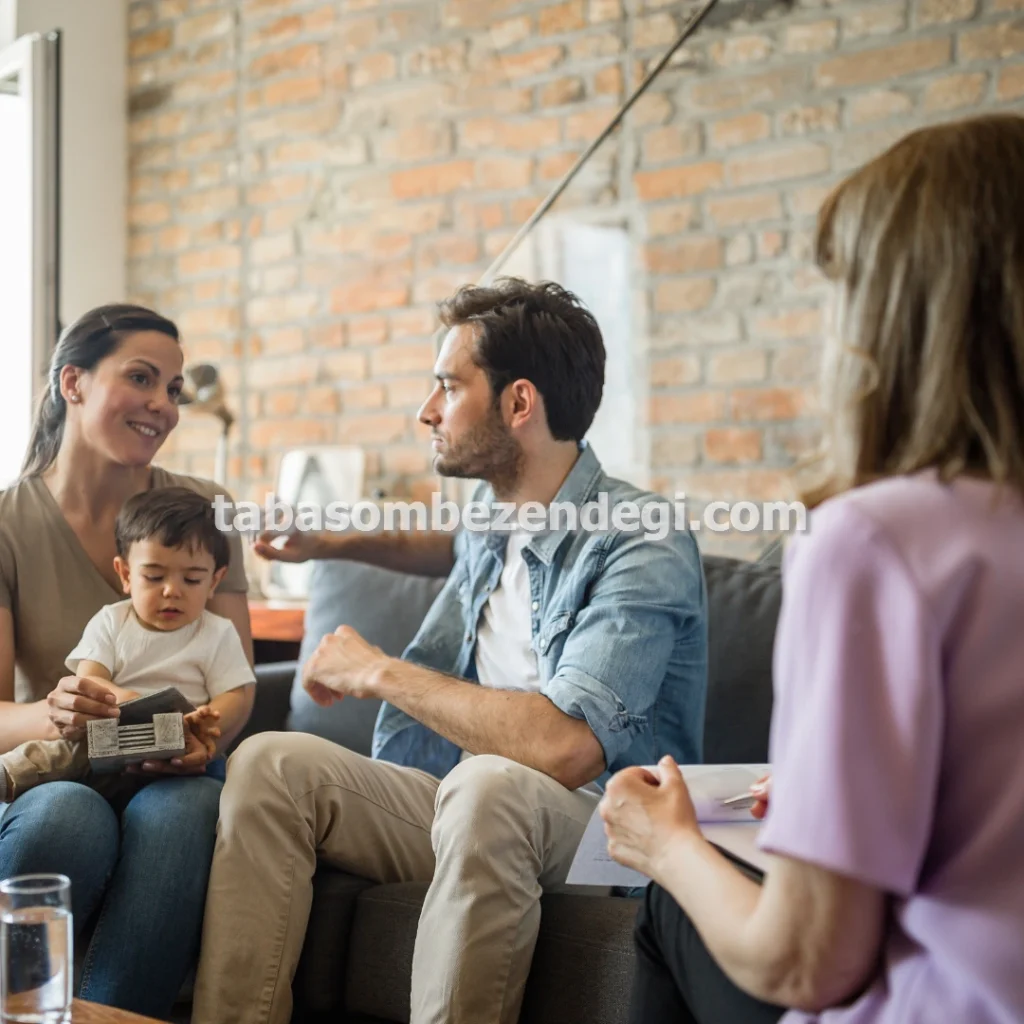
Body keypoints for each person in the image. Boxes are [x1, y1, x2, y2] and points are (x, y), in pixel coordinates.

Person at [599, 114, 1024, 1024]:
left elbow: (804, 963)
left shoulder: (874, 542)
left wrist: (664, 843)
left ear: (894, 315)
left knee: (668, 902)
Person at [191, 278, 709, 1024]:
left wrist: (381, 672)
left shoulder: (640, 538)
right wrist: (331, 540)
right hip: (469, 809)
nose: (425, 411)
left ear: (519, 403)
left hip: (609, 831)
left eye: (446, 386)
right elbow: (443, 545)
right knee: (271, 765)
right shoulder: (498, 512)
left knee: (491, 785)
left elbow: (565, 748)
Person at [0, 304, 254, 1019]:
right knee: (66, 817)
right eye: (141, 378)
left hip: (179, 772)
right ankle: (21, 1007)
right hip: (64, 763)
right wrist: (54, 710)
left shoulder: (208, 512)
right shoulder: (6, 526)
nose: (162, 405)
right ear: (72, 382)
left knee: (184, 809)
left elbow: (232, 681)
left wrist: (205, 736)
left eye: (174, 388)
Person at [0, 486, 255, 799]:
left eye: (191, 580)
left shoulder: (218, 632)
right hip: (114, 738)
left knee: (217, 779)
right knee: (62, 752)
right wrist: (130, 700)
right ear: (125, 574)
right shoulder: (112, 620)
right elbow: (90, 678)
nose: (172, 591)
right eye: (154, 576)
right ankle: (11, 774)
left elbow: (234, 694)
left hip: (182, 745)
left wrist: (205, 721)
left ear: (214, 581)